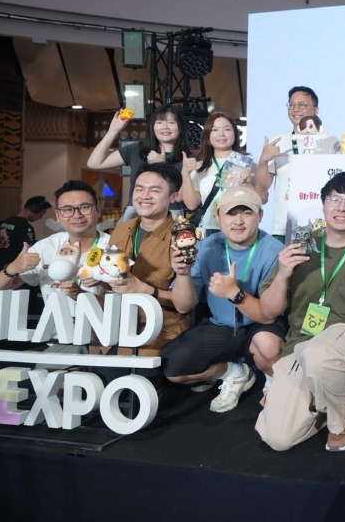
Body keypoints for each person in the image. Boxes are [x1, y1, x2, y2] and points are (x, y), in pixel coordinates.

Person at [256, 172, 345, 452]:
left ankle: (341, 419)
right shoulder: (301, 247)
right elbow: (269, 311)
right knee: (278, 439)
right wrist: (283, 273)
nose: (341, 207)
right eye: (334, 199)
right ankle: (324, 403)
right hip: (301, 344)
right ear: (323, 204)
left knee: (318, 355)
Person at [164, 186, 286, 413]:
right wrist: (182, 274)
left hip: (259, 323)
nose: (238, 221)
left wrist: (234, 293)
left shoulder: (275, 251)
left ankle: (273, 381)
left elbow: (268, 316)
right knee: (173, 368)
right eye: (231, 213)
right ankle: (233, 372)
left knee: (268, 346)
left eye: (247, 213)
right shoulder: (204, 247)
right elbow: (183, 306)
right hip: (221, 324)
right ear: (218, 217)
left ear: (260, 215)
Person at [105, 163, 191, 352]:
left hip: (161, 336)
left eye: (154, 190)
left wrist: (145, 289)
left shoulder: (183, 238)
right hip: (118, 330)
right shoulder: (121, 230)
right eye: (139, 189)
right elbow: (113, 279)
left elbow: (185, 304)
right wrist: (97, 278)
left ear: (174, 196)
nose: (144, 196)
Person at [0, 181, 109, 306]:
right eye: (67, 209)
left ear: (98, 210)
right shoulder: (45, 248)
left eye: (85, 207)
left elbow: (117, 308)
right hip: (53, 320)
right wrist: (13, 267)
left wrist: (80, 294)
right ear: (58, 216)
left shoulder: (113, 247)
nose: (77, 215)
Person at [254, 86, 339, 242]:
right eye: (292, 104)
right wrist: (264, 161)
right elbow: (262, 186)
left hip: (320, 223)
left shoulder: (330, 142)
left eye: (302, 105)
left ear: (316, 110)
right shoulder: (279, 142)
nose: (296, 109)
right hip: (284, 225)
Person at [88, 104, 190, 216]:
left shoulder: (188, 157)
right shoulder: (137, 149)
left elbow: (181, 197)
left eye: (171, 122)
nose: (165, 127)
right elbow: (95, 163)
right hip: (136, 210)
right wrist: (112, 131)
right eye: (159, 122)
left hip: (170, 212)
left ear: (180, 127)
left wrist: (162, 165)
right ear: (152, 127)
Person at [180, 111, 265, 237]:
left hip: (239, 228)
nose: (221, 134)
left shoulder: (247, 163)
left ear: (235, 133)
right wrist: (185, 174)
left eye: (227, 129)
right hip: (209, 229)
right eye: (215, 130)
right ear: (207, 135)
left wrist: (246, 184)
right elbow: (192, 204)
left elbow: (263, 199)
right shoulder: (200, 166)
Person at [0, 196, 51, 273]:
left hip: (0, 268)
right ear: (35, 209)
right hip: (15, 270)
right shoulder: (25, 226)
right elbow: (29, 251)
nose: (40, 217)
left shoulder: (5, 222)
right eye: (42, 213)